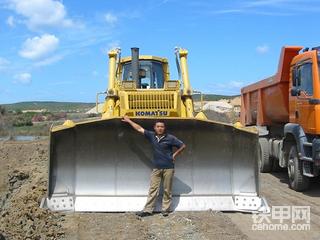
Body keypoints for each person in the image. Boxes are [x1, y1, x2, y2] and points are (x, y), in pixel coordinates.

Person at [122, 116, 186, 217]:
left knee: (167, 189)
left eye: (162, 126)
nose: (160, 128)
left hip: (169, 168)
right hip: (156, 168)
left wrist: (175, 155)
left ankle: (165, 210)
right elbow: (139, 128)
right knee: (153, 189)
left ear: (164, 128)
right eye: (158, 126)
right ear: (154, 128)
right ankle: (148, 210)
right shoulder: (151, 136)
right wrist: (129, 121)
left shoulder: (170, 138)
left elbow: (182, 145)